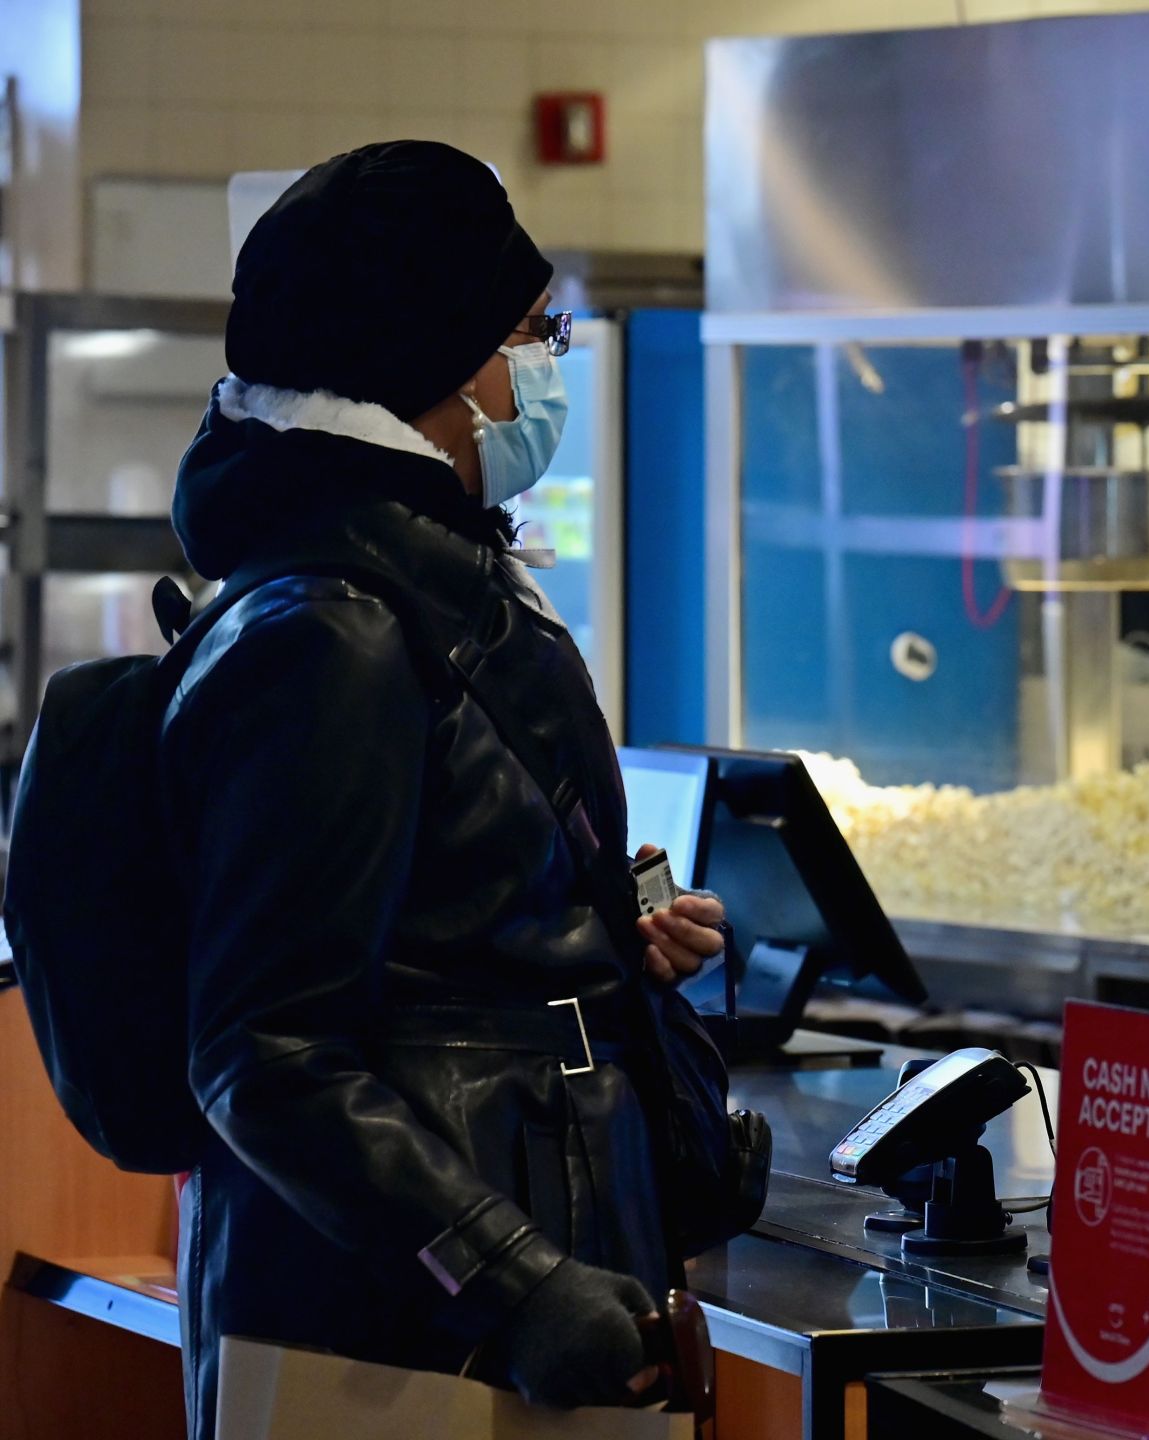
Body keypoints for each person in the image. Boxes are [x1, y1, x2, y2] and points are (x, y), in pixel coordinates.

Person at [163, 141, 748, 1436]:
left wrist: (599, 947)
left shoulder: (428, 591)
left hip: (513, 1329)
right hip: (408, 1355)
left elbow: (438, 948)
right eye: (538, 330)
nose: (553, 362)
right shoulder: (334, 634)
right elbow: (264, 1054)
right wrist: (519, 1288)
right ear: (439, 360)